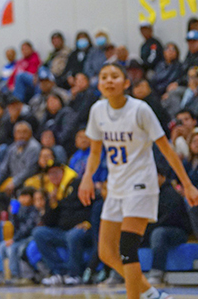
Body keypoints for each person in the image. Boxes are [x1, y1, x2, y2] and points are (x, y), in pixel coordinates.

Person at [79, 62, 198, 299]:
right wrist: (87, 178)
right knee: (106, 252)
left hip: (141, 184)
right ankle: (152, 294)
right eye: (104, 77)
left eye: (114, 76)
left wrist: (187, 184)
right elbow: (94, 152)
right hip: (115, 187)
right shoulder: (97, 110)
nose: (109, 80)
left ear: (125, 83)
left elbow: (166, 149)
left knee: (127, 248)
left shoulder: (140, 109)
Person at [32, 161, 94, 286]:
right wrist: (53, 203)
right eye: (50, 174)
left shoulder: (77, 184)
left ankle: (74, 274)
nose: (53, 176)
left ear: (63, 172)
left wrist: (88, 222)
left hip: (83, 229)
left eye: (56, 173)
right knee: (39, 233)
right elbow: (49, 221)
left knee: (73, 235)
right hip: (63, 231)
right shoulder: (54, 192)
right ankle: (59, 273)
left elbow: (92, 205)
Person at [143, 170, 191, 286]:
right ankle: (120, 273)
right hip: (158, 229)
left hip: (178, 232)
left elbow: (170, 219)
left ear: (161, 176)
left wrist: (148, 229)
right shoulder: (150, 194)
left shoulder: (171, 193)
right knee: (131, 232)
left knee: (158, 233)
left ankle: (157, 273)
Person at [0, 186, 39, 286]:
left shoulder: (33, 210)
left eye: (26, 196)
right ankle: (7, 274)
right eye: (21, 196)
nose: (22, 199)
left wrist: (14, 239)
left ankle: (16, 276)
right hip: (19, 237)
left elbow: (27, 229)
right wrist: (13, 215)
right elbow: (15, 227)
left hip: (29, 237)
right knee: (2, 246)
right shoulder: (20, 210)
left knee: (14, 248)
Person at [0, 121, 41, 196]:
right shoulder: (12, 148)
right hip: (15, 181)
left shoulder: (34, 147)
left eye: (24, 132)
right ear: (14, 134)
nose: (21, 135)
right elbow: (3, 169)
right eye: (18, 132)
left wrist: (14, 183)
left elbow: (29, 170)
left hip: (28, 182)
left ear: (30, 133)